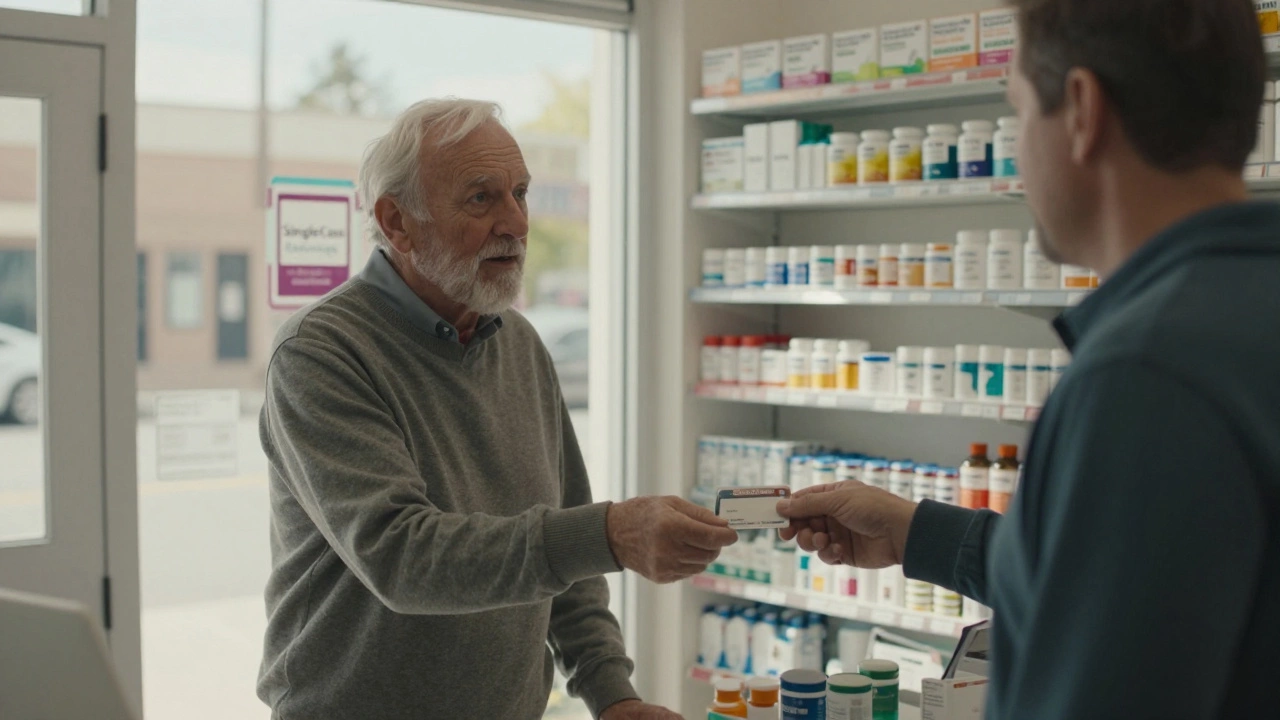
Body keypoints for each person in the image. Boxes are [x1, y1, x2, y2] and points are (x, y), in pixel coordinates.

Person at [777, 1, 1280, 718]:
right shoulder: (1247, 310)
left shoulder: (1146, 376)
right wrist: (919, 534)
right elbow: (1148, 581)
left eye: (1016, 110)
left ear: (1081, 110)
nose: (1016, 154)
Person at [257, 98, 737, 720]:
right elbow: (401, 556)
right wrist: (610, 533)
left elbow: (565, 547)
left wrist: (610, 692)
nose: (515, 222)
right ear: (397, 222)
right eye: (481, 199)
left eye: (520, 193)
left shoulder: (518, 343)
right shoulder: (321, 353)